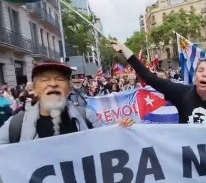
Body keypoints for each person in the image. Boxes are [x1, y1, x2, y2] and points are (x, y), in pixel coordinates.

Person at [111, 41, 206, 128]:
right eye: (200, 70)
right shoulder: (182, 93)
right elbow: (149, 77)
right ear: (195, 76)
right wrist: (126, 52)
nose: (204, 74)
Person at [0, 60, 133, 144]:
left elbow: (110, 140)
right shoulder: (15, 126)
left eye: (59, 79)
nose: (53, 84)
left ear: (69, 88)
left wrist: (121, 128)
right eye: (45, 80)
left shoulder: (86, 116)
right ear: (34, 89)